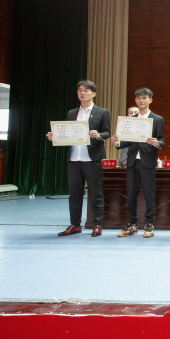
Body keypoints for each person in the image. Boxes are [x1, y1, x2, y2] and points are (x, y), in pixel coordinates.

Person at [46, 80, 110, 237]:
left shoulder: (102, 112)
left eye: (86, 90)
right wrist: (56, 136)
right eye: (80, 90)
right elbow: (68, 133)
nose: (82, 93)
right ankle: (75, 224)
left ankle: (97, 224)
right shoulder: (72, 113)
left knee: (96, 193)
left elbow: (107, 132)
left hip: (92, 159)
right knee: (74, 194)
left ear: (94, 93)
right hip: (74, 158)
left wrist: (99, 135)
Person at [111, 88, 165, 238]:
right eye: (139, 98)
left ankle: (149, 224)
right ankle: (131, 225)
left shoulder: (157, 119)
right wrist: (117, 142)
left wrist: (156, 143)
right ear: (135, 100)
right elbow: (127, 141)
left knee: (149, 194)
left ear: (150, 100)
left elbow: (162, 140)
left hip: (148, 161)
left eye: (144, 98)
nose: (141, 101)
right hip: (132, 161)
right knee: (131, 194)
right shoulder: (131, 119)